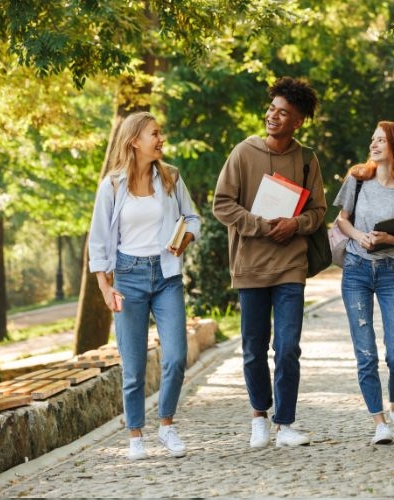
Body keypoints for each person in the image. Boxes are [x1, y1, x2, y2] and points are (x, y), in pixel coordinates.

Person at [212, 76, 324, 448]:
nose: (273, 116)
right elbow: (222, 204)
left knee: (288, 346)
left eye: (283, 113)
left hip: (291, 265)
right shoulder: (243, 153)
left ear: (298, 121)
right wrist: (260, 226)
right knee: (253, 347)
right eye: (271, 109)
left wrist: (296, 223)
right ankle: (259, 414)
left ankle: (285, 424)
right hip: (251, 266)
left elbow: (319, 211)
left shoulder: (307, 159)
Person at [88, 111, 201, 460]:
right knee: (133, 365)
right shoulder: (112, 185)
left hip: (166, 276)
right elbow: (99, 238)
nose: (161, 138)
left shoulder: (170, 177)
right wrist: (105, 286)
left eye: (160, 133)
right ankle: (136, 434)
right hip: (128, 277)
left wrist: (184, 240)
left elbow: (193, 217)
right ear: (135, 140)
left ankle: (166, 425)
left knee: (177, 356)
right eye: (155, 133)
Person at [333, 121, 394, 445]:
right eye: (372, 139)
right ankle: (379, 421)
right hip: (356, 270)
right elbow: (341, 220)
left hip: (393, 273)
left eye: (381, 140)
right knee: (365, 353)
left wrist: (388, 237)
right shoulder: (357, 179)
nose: (373, 145)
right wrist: (360, 236)